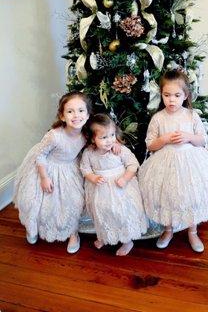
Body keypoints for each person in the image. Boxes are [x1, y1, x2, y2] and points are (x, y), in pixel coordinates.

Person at [139, 69, 208, 252]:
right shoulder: (158, 118)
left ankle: (192, 231)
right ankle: (168, 229)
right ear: (161, 94)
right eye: (167, 95)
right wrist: (165, 139)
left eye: (177, 95)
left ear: (185, 95)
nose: (171, 100)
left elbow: (202, 140)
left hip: (190, 163)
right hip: (165, 163)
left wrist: (188, 136)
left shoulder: (191, 115)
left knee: (189, 194)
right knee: (168, 195)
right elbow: (150, 145)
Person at [14, 91, 91, 253]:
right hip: (47, 168)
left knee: (74, 201)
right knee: (39, 203)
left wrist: (116, 144)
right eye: (70, 111)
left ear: (88, 114)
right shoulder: (54, 136)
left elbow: (102, 139)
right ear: (62, 116)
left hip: (70, 169)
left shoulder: (85, 135)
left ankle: (72, 232)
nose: (76, 115)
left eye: (81, 110)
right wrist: (44, 177)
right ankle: (32, 227)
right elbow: (40, 155)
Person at [80, 113, 148, 256]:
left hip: (121, 187)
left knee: (122, 213)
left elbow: (133, 164)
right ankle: (106, 236)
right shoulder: (89, 153)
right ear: (93, 139)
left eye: (111, 135)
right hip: (100, 189)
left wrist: (125, 178)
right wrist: (93, 177)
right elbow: (85, 169)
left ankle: (127, 240)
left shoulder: (119, 150)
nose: (109, 140)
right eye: (103, 137)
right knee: (103, 213)